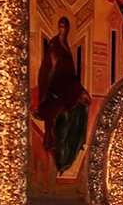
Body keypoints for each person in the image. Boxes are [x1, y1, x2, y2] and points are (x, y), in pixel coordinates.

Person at [34, 16, 91, 173]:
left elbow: (70, 75)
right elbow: (47, 72)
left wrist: (81, 91)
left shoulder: (65, 46)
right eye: (60, 26)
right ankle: (61, 157)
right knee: (64, 115)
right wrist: (52, 69)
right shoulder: (54, 45)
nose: (62, 30)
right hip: (53, 94)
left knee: (83, 107)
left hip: (66, 91)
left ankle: (73, 149)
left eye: (65, 27)